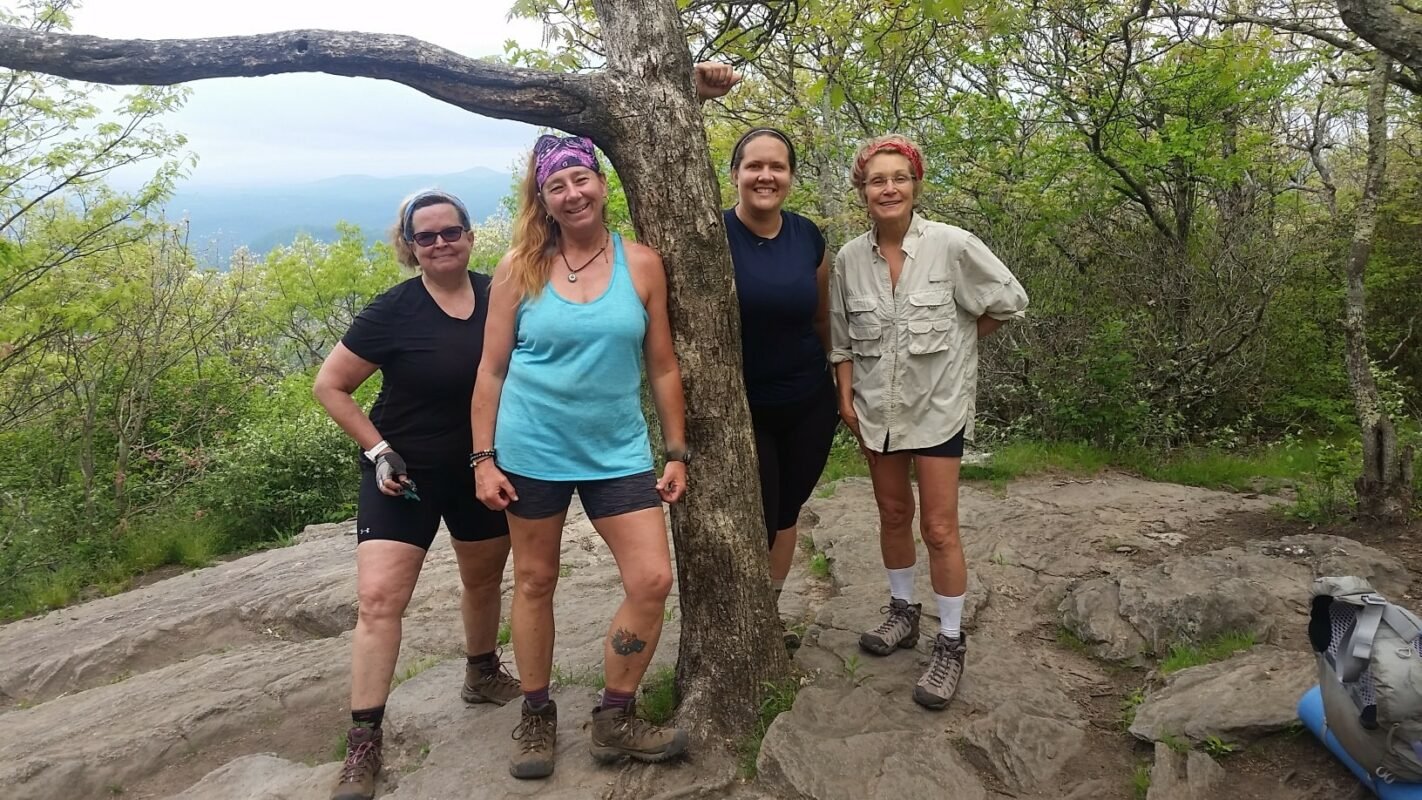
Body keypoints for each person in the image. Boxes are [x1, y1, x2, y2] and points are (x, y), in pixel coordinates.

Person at [471, 134, 690, 780]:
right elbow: (490, 371)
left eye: (581, 180)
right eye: (557, 186)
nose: (573, 194)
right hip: (531, 449)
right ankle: (536, 712)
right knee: (536, 580)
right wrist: (483, 458)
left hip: (617, 449)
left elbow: (664, 367)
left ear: (600, 182)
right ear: (543, 198)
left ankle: (614, 715)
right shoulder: (518, 269)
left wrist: (676, 450)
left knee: (652, 580)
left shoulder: (642, 264)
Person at [313, 190, 521, 800]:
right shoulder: (392, 311)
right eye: (425, 237)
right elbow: (331, 385)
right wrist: (378, 450)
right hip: (402, 473)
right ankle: (363, 742)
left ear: (469, 235)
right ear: (409, 246)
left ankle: (481, 673)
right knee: (379, 601)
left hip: (482, 468)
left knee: (482, 581)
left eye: (449, 232)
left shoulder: (501, 295)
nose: (439, 244)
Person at [828, 135, 1028, 710]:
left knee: (939, 528)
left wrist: (961, 346)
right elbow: (842, 341)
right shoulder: (847, 259)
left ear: (915, 185)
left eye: (898, 178)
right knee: (893, 512)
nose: (888, 188)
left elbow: (1007, 301)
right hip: (874, 409)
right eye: (876, 180)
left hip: (937, 407)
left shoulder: (952, 246)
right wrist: (846, 399)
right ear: (862, 191)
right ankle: (901, 613)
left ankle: (950, 641)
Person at [723, 127, 838, 649]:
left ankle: (767, 617)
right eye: (754, 166)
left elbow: (821, 318)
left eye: (778, 166)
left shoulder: (807, 235)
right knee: (764, 515)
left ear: (790, 176)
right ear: (735, 174)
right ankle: (741, 617)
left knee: (787, 510)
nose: (766, 176)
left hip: (810, 402)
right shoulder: (713, 234)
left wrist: (842, 389)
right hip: (746, 409)